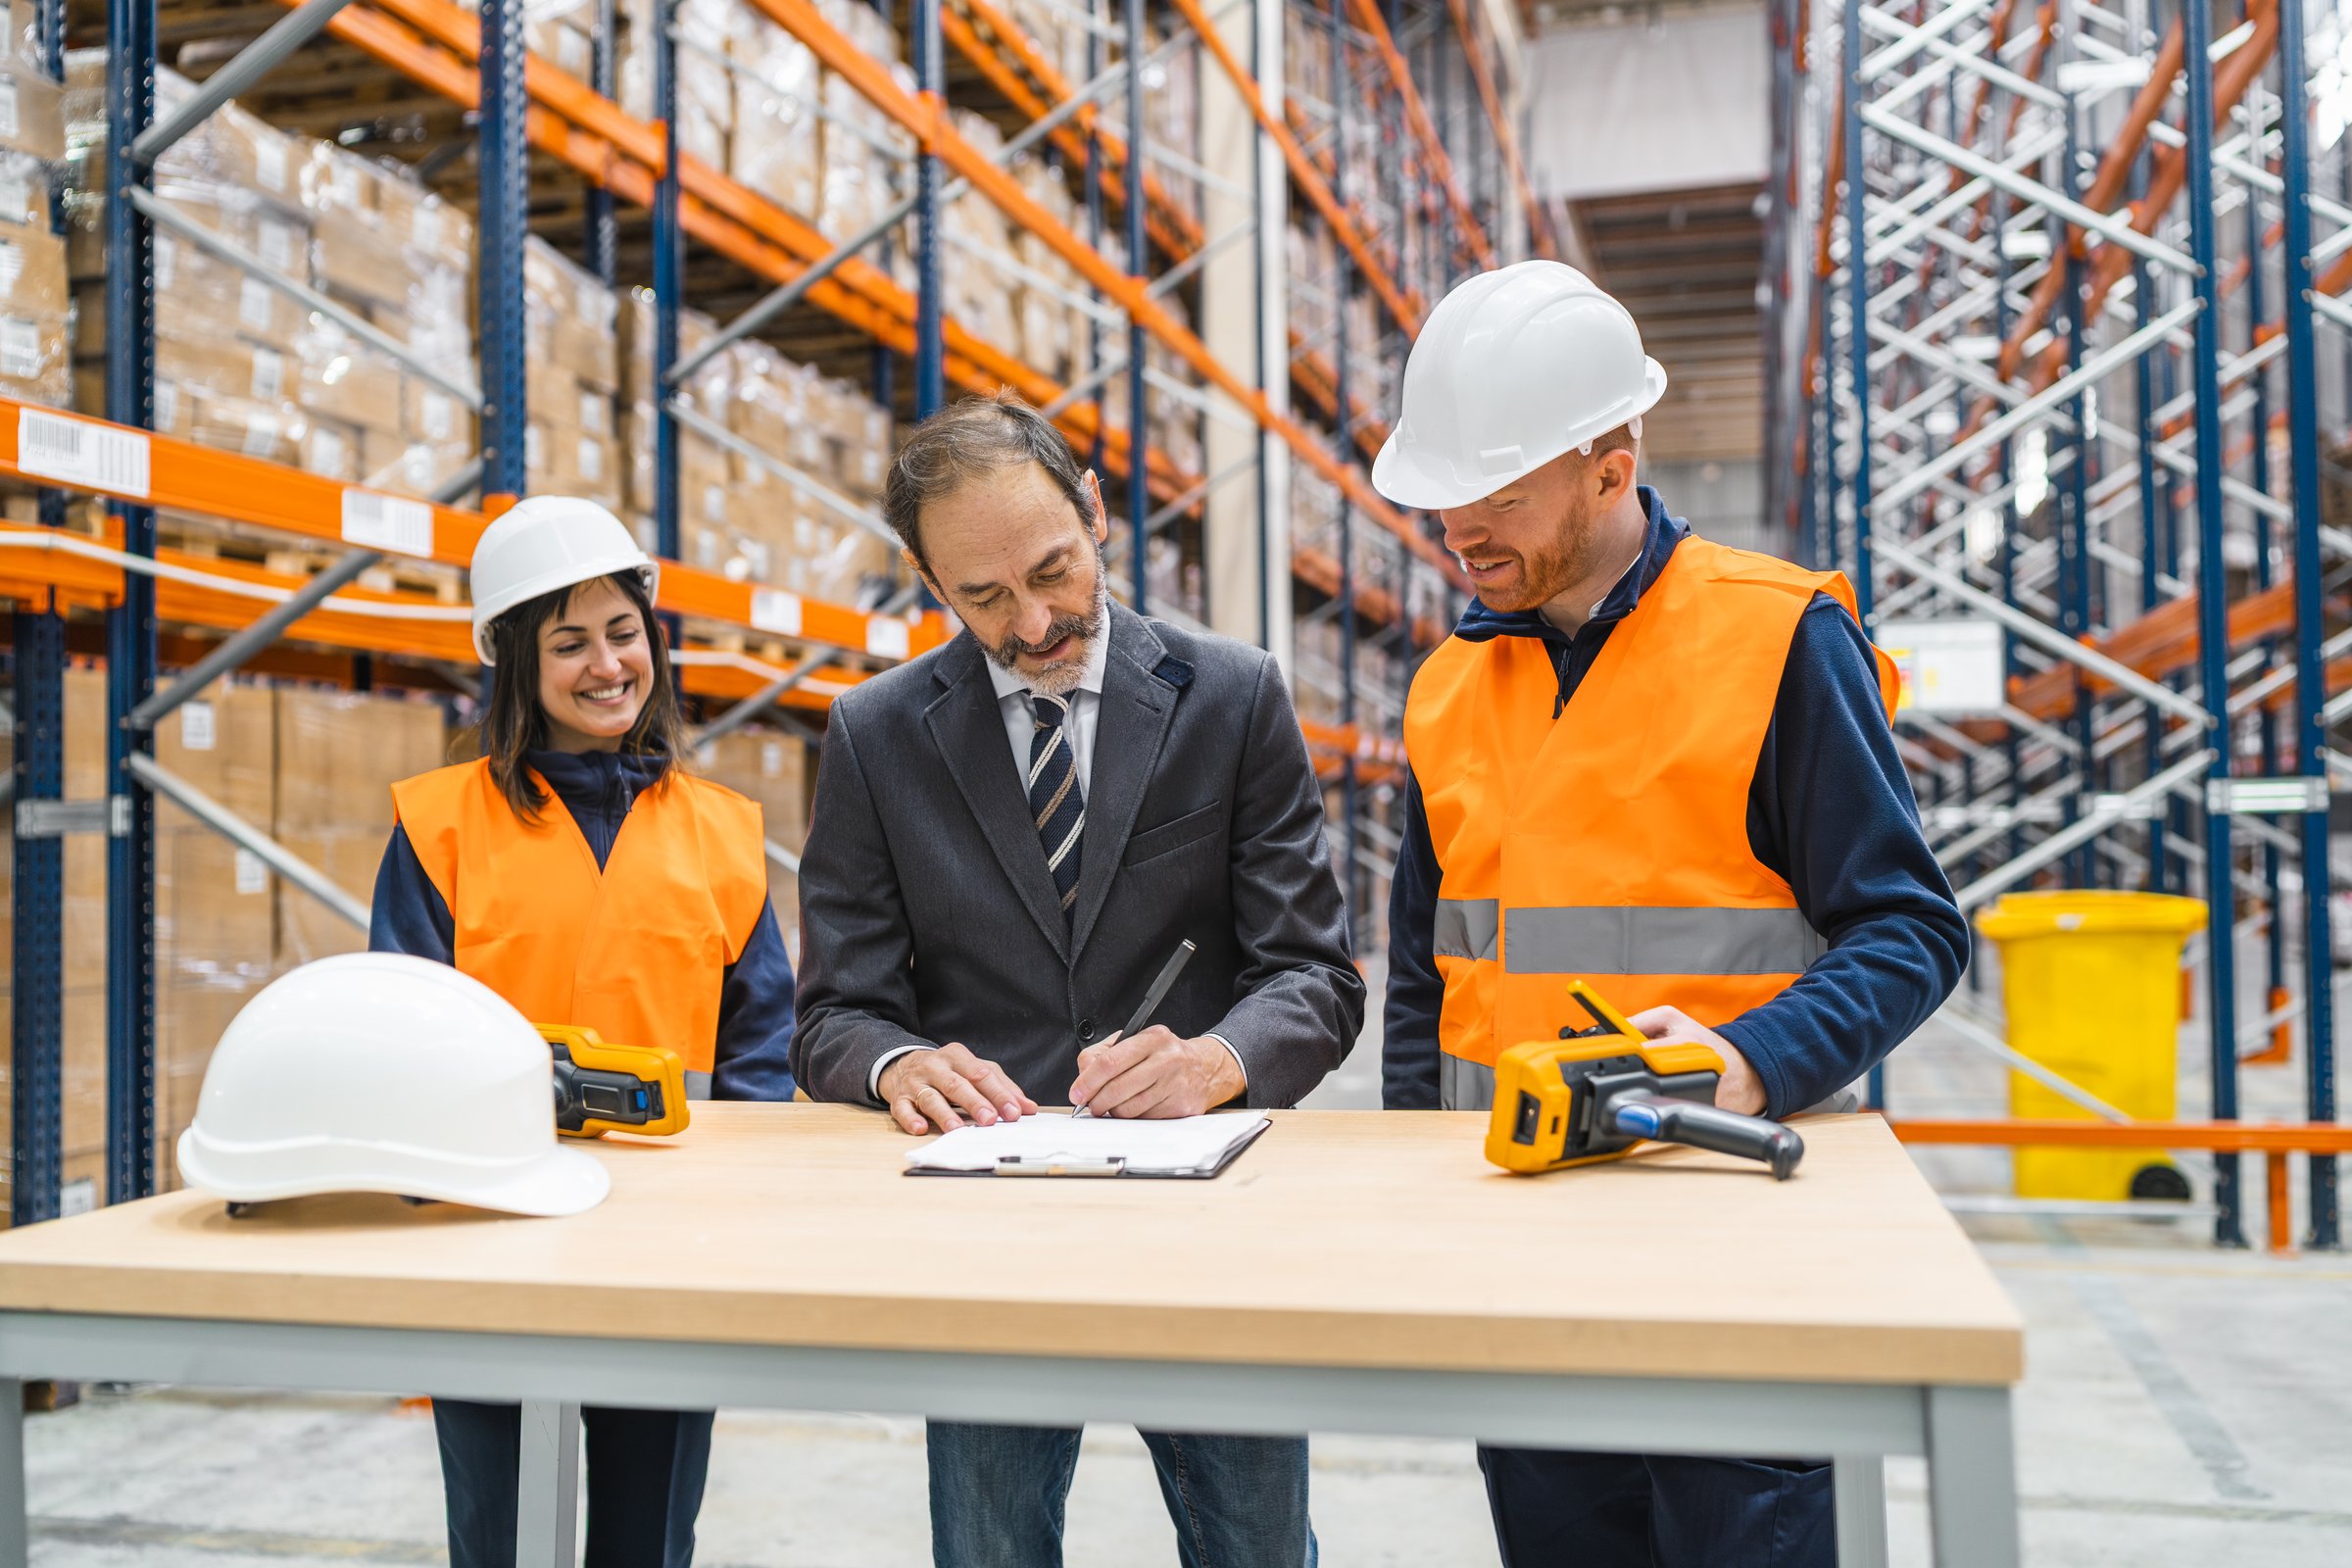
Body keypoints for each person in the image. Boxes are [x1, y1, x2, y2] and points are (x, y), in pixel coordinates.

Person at [1374, 262, 1969, 1566]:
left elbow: (1913, 929)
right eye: (1447, 496)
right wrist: (1420, 1194)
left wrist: (1752, 1059)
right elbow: (1428, 973)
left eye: (1501, 495)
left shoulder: (1778, 638)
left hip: (1728, 1234)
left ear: (1612, 465)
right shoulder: (1446, 689)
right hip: (1522, 1251)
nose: (1463, 530)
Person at [793, 393, 1363, 1567]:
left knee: (1254, 1548)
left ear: (1096, 511)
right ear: (930, 582)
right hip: (987, 1228)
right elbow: (835, 1011)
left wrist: (1218, 1059)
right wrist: (897, 1063)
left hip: (1206, 1212)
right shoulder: (875, 735)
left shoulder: (1234, 696)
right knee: (990, 1548)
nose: (1036, 621)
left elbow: (1314, 973)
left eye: (1054, 569)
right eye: (985, 597)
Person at [369, 495, 797, 1568]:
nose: (608, 666)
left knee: (647, 1537)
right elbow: (401, 1030)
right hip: (487, 1227)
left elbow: (760, 1048)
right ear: (517, 661)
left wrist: (741, 1223)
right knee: (498, 1533)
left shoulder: (722, 834)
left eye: (623, 632)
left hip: (674, 1240)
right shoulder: (441, 825)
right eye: (569, 644)